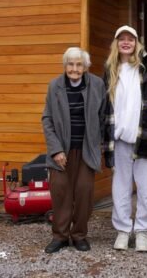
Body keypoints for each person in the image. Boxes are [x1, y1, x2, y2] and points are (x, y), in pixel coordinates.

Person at [103, 25, 147, 252]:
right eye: (121, 39)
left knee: (145, 188)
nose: (126, 42)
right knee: (120, 186)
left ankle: (142, 231)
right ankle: (123, 230)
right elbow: (104, 108)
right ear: (116, 43)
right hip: (120, 138)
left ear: (136, 42)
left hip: (146, 138)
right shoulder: (110, 69)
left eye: (130, 39)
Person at [42, 47, 106, 254]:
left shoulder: (97, 84)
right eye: (70, 64)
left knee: (84, 192)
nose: (74, 68)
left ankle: (79, 235)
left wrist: (101, 145)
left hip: (87, 149)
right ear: (65, 66)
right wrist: (55, 150)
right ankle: (60, 236)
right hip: (62, 151)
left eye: (79, 64)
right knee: (60, 191)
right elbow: (47, 119)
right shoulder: (55, 86)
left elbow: (104, 117)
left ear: (86, 66)